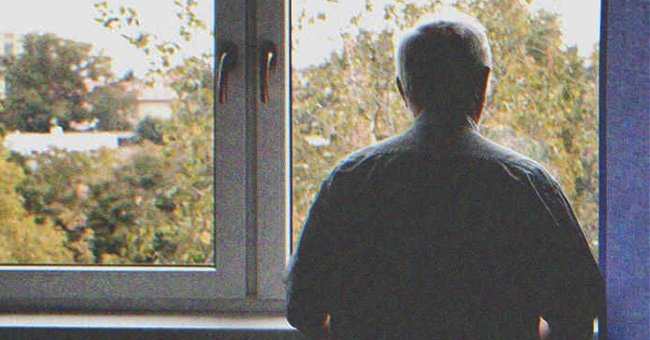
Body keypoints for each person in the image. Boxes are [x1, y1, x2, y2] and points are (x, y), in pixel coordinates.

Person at [286, 14, 604, 339]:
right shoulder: (527, 185)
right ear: (483, 83)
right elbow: (577, 313)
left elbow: (302, 307)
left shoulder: (350, 182)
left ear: (402, 89)